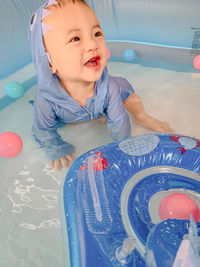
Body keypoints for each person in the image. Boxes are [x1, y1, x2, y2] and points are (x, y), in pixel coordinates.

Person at [29, 0, 173, 171]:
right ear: (49, 62)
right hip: (69, 117)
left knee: (127, 93)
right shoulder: (46, 100)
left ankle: (142, 116)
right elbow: (43, 131)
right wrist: (56, 149)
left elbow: (120, 123)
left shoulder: (110, 87)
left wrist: (122, 147)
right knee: (59, 123)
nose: (93, 44)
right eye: (75, 38)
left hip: (108, 100)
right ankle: (96, 117)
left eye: (96, 33)